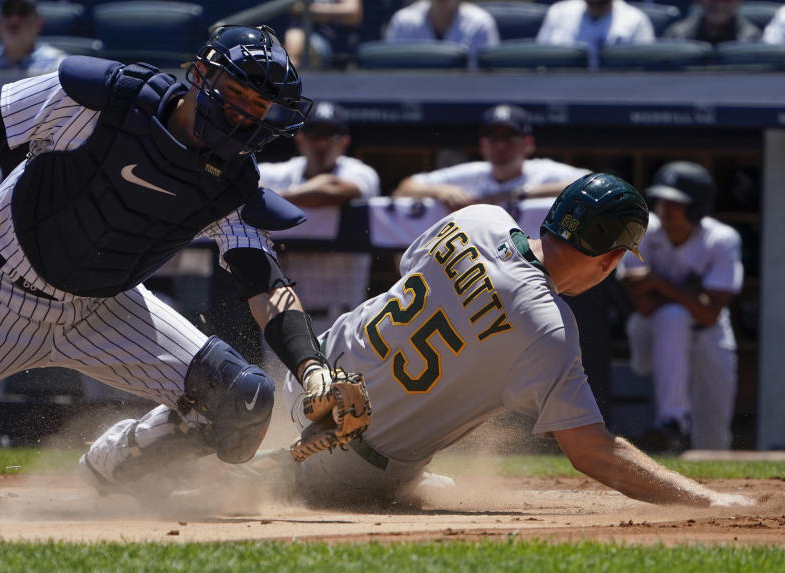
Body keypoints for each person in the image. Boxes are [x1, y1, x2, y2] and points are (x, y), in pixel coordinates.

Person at [0, 25, 360, 484]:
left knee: (242, 403)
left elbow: (261, 280)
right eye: (238, 95)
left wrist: (311, 367)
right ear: (201, 75)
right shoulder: (111, 99)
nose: (245, 116)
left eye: (259, 108)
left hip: (104, 309)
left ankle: (115, 465)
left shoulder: (231, 181)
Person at [267, 173, 749, 508]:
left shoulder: (480, 218)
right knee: (412, 479)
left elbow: (409, 269)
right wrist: (709, 499)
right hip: (349, 467)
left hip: (303, 378)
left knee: (439, 483)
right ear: (609, 260)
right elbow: (594, 454)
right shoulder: (549, 330)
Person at [617, 162, 742, 452]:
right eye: (662, 200)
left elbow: (710, 314)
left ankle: (678, 431)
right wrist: (690, 295)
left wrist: (657, 283)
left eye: (676, 202)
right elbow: (646, 306)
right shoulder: (642, 234)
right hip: (650, 331)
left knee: (714, 432)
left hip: (708, 334)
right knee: (671, 316)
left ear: (697, 206)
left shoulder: (721, 239)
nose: (665, 208)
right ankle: (672, 422)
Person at [258, 100, 381, 331]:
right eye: (314, 133)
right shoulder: (280, 173)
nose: (322, 143)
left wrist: (276, 198)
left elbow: (335, 189)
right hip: (283, 314)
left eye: (331, 134)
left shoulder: (360, 172)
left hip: (344, 319)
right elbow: (247, 188)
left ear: (345, 142)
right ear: (299, 137)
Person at [393, 104, 589, 234]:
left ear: (528, 143)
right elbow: (404, 189)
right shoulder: (474, 172)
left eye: (510, 137)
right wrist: (439, 190)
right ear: (482, 145)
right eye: (494, 138)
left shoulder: (542, 171)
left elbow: (592, 183)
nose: (501, 146)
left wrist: (517, 194)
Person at [536, 0, 654, 68]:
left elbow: (645, 68)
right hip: (562, 89)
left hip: (617, 92)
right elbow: (540, 61)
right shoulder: (558, 13)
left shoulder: (636, 19)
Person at [0, 0, 67, 74]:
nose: (14, 21)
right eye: (8, 13)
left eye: (23, 13)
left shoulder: (57, 65)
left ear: (39, 24)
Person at [385, 0, 499, 52]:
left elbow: (491, 82)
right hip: (413, 99)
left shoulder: (480, 23)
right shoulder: (403, 22)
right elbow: (388, 79)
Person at [283, 0, 363, 69]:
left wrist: (311, 10)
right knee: (294, 38)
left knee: (296, 38)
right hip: (299, 36)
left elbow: (352, 12)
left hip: (336, 45)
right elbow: (294, 7)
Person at [662, 0, 761, 46]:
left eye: (727, 0)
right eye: (713, 0)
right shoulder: (676, 35)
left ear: (738, 2)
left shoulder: (752, 39)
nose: (719, 5)